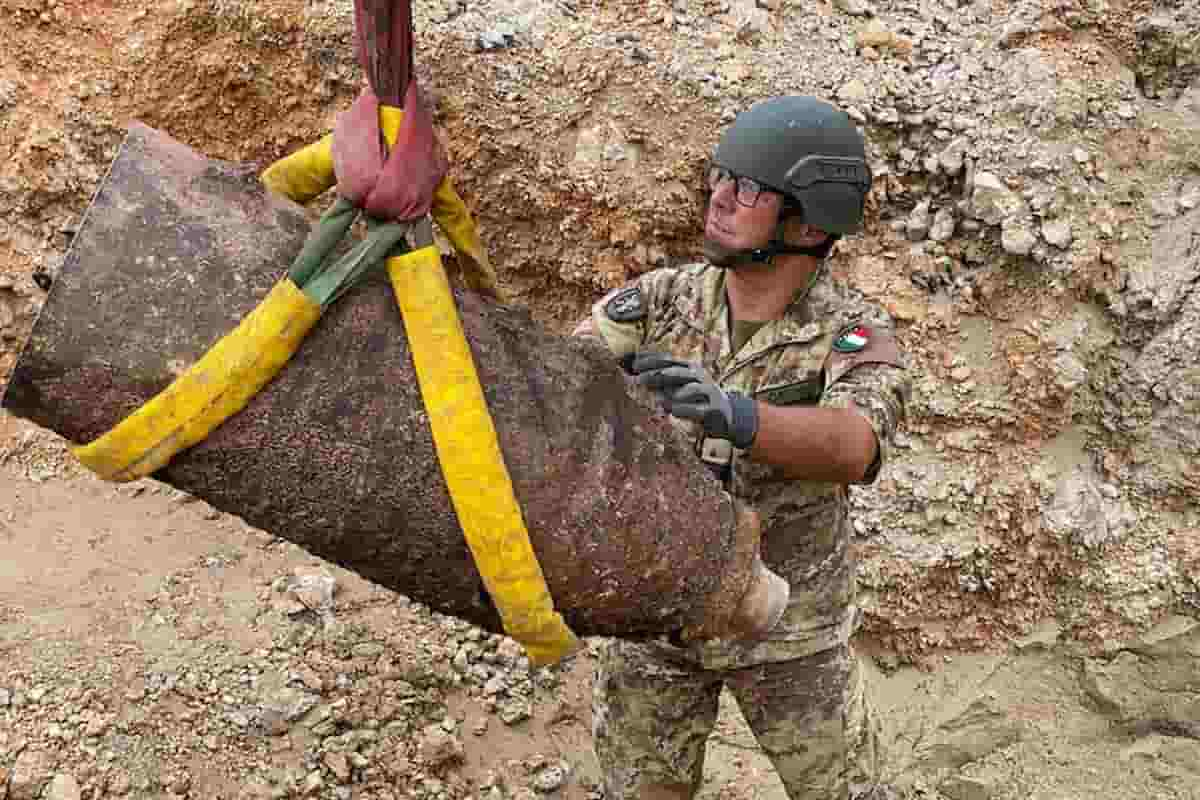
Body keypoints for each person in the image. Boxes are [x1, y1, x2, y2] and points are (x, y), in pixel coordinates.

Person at [572, 95, 912, 800]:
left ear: (810, 221)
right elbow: (558, 379)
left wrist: (738, 415)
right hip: (656, 617)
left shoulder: (850, 330)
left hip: (792, 633)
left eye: (749, 188)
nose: (719, 199)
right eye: (720, 177)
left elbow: (855, 444)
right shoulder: (660, 301)